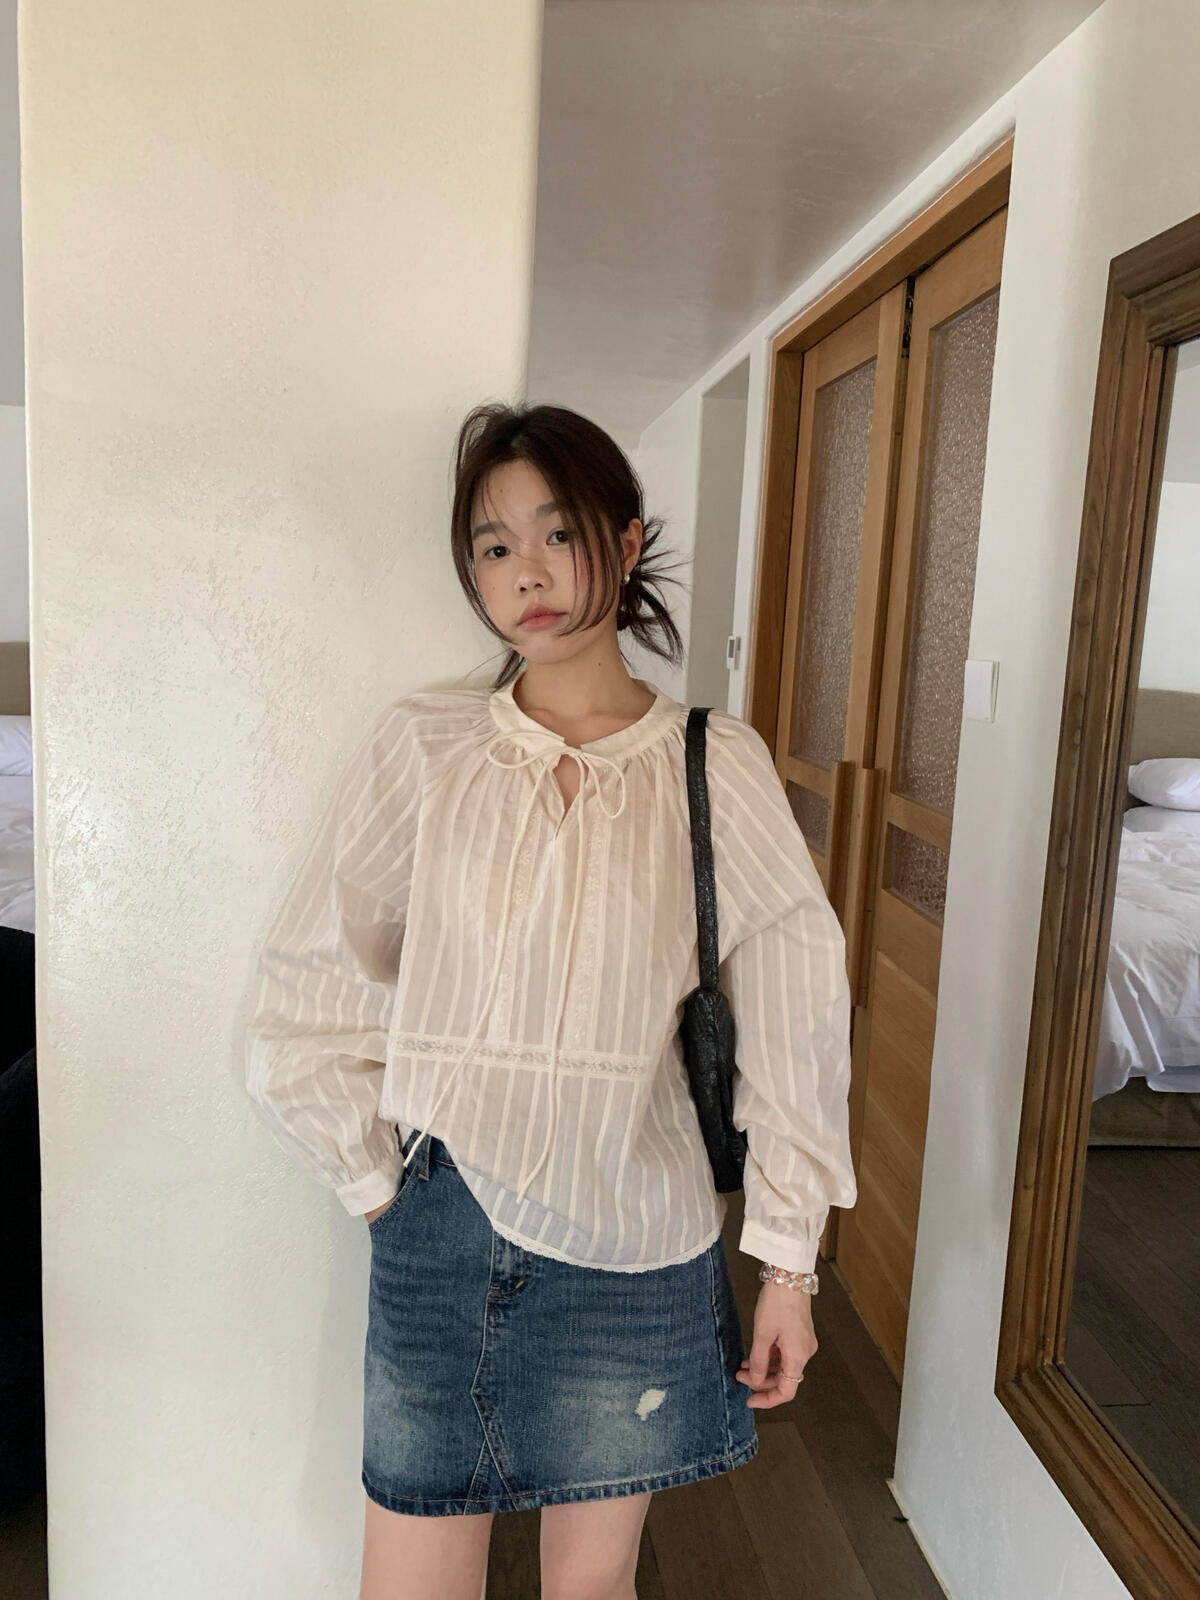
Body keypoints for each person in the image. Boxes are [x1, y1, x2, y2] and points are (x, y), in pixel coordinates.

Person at [244, 401, 857, 1600]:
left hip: (637, 1237)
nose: (525, 570)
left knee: (592, 1590)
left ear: (625, 544)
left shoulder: (713, 762)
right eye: (493, 544)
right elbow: (313, 979)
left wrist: (789, 1265)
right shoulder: (426, 747)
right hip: (444, 1224)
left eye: (557, 533)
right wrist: (386, 1196)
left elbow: (797, 1012)